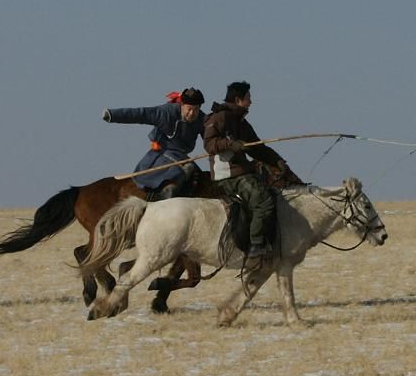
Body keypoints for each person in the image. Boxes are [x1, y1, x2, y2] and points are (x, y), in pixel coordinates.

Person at [203, 81, 289, 259]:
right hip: (228, 175)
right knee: (263, 200)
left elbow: (257, 148)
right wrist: (230, 144)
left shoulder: (242, 123)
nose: (251, 102)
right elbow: (209, 144)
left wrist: (277, 161)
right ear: (238, 99)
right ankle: (256, 245)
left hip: (242, 172)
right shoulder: (219, 118)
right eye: (248, 98)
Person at [102, 87, 206, 200]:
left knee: (199, 180)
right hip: (162, 154)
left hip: (182, 157)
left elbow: (211, 136)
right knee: (181, 173)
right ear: (182, 105)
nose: (192, 113)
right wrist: (113, 115)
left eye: (196, 109)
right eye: (189, 109)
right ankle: (163, 195)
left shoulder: (202, 119)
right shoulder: (166, 112)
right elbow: (141, 114)